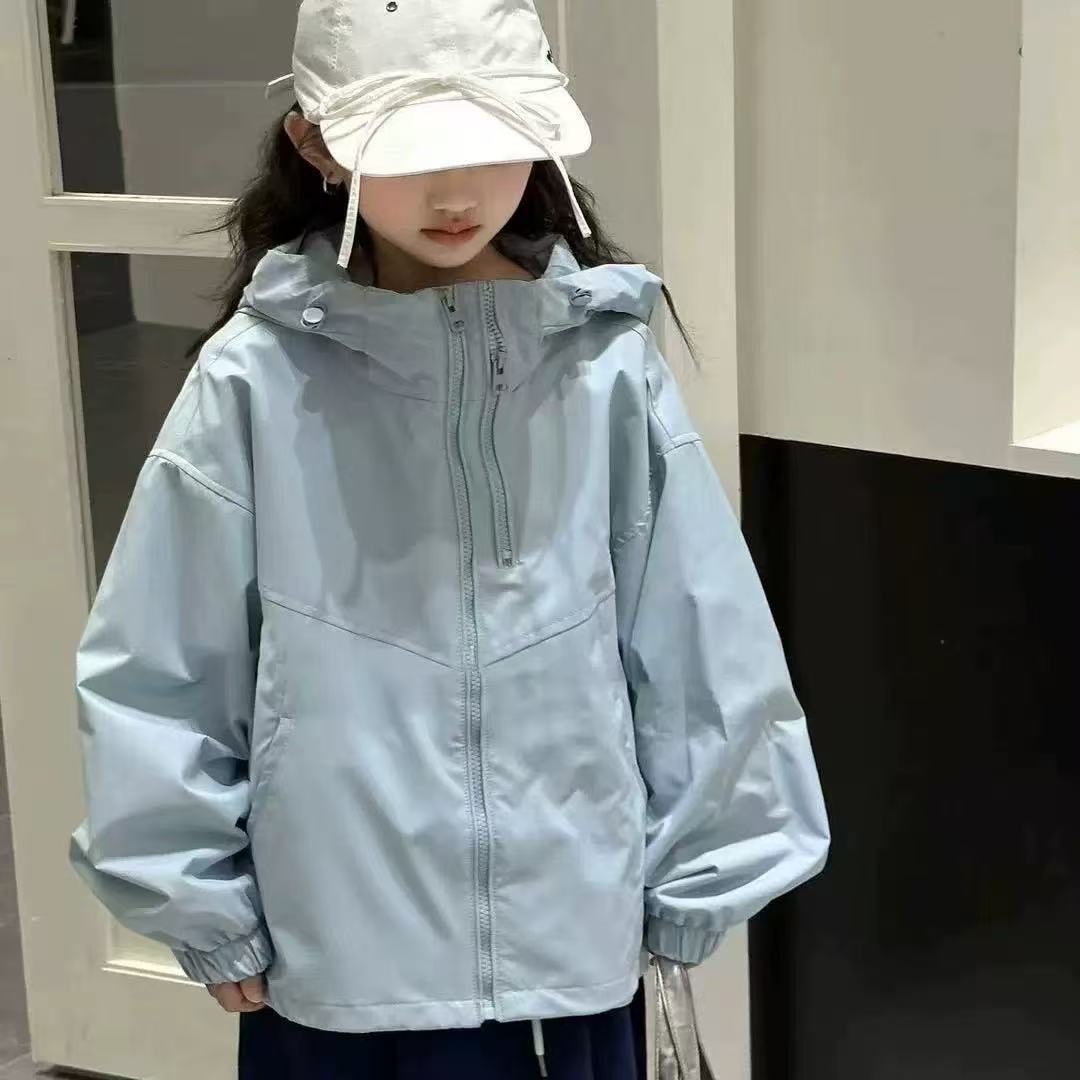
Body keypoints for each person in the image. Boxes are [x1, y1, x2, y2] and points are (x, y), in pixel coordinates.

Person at [67, 1, 831, 1077]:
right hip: (338, 953)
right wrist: (194, 895)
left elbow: (703, 638)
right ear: (318, 146)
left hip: (570, 944)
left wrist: (706, 873)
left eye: (494, 143)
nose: (457, 193)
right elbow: (162, 656)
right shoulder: (258, 378)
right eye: (412, 153)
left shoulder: (602, 367)